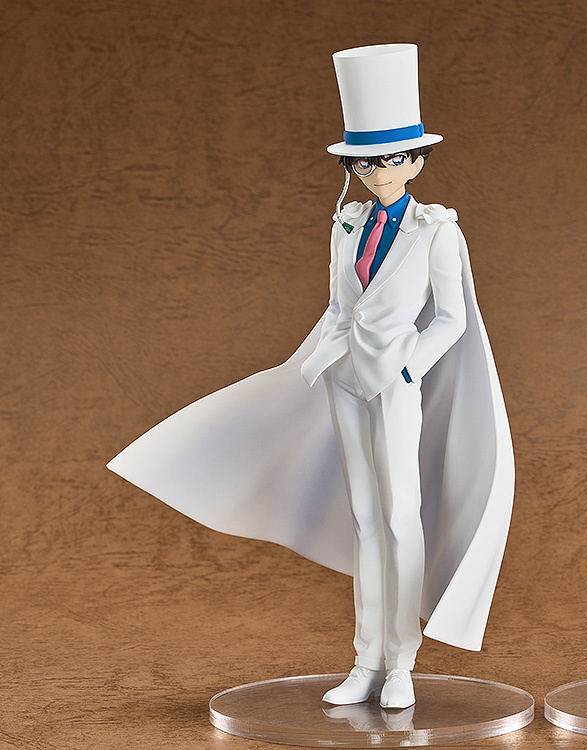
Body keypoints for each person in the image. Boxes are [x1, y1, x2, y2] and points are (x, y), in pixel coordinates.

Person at [108, 44, 514, 711]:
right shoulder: (347, 223)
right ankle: (366, 658)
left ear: (416, 161)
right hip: (344, 378)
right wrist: (319, 361)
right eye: (366, 162)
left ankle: (402, 660)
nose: (379, 172)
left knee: (400, 516)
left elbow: (453, 319)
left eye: (394, 159)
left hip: (395, 384)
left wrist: (407, 366)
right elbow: (337, 304)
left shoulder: (437, 231)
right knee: (364, 518)